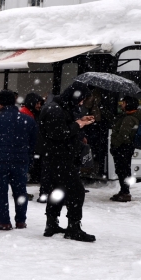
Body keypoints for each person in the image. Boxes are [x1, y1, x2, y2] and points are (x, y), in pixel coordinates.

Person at [39, 81, 96, 242]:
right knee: (76, 192)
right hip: (59, 158)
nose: (82, 102)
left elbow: (63, 128)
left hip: (59, 157)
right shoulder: (54, 109)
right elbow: (59, 133)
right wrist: (79, 124)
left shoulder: (61, 107)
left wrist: (81, 120)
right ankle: (73, 228)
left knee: (58, 190)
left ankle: (51, 224)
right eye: (82, 99)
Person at [0, 90, 38, 230]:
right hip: (20, 161)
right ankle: (21, 221)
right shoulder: (27, 119)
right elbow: (34, 142)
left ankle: (4, 221)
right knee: (20, 191)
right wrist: (25, 153)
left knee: (0, 192)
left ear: (0, 104)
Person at [109, 96, 141, 202]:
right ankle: (124, 191)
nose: (121, 104)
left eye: (124, 103)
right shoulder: (131, 116)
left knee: (122, 171)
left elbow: (123, 135)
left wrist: (115, 146)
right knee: (123, 170)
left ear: (128, 104)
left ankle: (125, 193)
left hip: (122, 148)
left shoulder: (129, 118)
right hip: (126, 148)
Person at [20, 92, 44, 185]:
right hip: (27, 147)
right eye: (37, 103)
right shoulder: (26, 114)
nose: (39, 106)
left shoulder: (32, 112)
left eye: (40, 103)